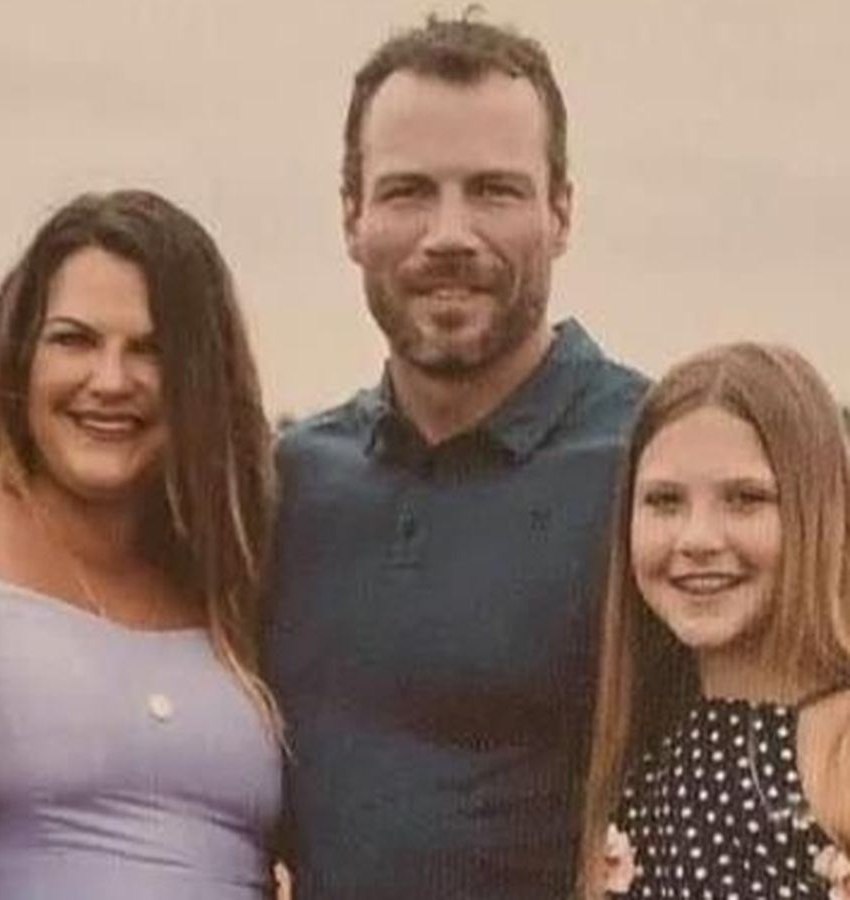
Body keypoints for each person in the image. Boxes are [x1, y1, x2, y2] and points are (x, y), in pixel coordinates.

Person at [265, 14, 648, 900]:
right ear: (352, 216)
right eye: (407, 192)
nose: (449, 233)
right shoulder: (288, 484)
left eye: (494, 191)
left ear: (561, 212)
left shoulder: (662, 473)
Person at [0, 189, 282, 898]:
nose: (110, 381)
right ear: (21, 355)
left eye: (151, 350)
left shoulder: (238, 567)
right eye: (74, 340)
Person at [579, 343, 850, 898]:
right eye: (665, 501)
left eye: (746, 498)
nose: (697, 539)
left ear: (824, 512)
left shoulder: (837, 753)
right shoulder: (648, 750)